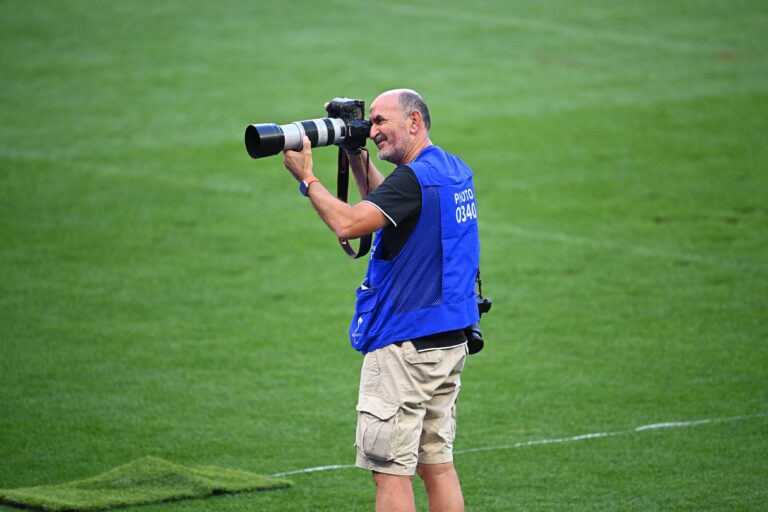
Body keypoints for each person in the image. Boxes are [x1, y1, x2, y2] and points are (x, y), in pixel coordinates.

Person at [282, 88, 480, 512]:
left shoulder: (412, 181)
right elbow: (394, 204)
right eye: (368, 122)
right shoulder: (450, 169)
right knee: (437, 464)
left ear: (414, 122)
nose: (372, 131)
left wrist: (308, 179)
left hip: (404, 348)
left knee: (390, 470)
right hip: (447, 342)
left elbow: (350, 224)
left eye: (380, 121)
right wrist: (356, 157)